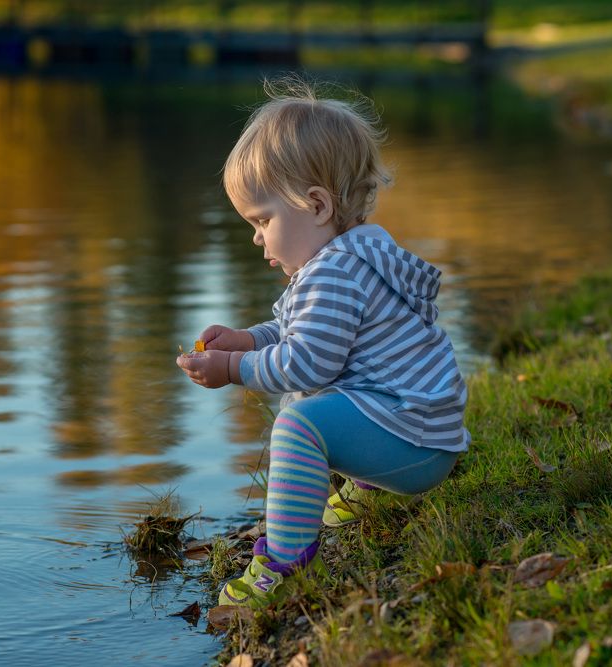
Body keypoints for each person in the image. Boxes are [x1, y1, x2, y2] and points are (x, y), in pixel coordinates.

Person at [175, 78, 469, 608]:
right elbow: (303, 336)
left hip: (416, 445)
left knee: (298, 422)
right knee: (325, 400)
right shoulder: (358, 254)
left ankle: (283, 563)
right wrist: (245, 340)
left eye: (263, 219)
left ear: (315, 205)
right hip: (424, 431)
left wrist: (233, 367)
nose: (257, 237)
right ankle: (366, 482)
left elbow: (305, 362)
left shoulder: (331, 274)